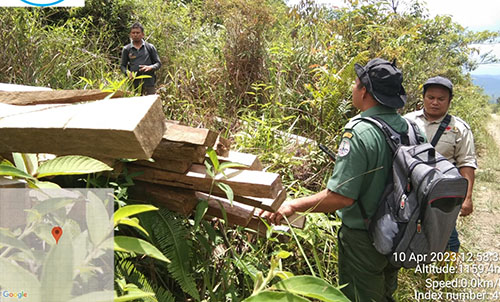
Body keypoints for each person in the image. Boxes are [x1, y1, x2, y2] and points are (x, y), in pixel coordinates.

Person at [261, 58, 410, 301]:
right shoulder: (411, 129)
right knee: (385, 291)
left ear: (364, 91)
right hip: (402, 232)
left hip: (366, 239)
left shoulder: (360, 132)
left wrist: (293, 205)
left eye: (355, 84)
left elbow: (342, 197)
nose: (353, 89)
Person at [405, 76, 477, 252]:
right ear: (423, 98)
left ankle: (446, 274)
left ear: (450, 101)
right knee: (408, 233)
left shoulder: (459, 128)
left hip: (443, 194)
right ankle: (415, 270)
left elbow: (466, 163)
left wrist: (467, 198)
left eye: (441, 99)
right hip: (410, 191)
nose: (435, 102)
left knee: (447, 236)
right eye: (431, 97)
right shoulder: (407, 122)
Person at [120, 22, 161, 95]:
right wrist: (127, 72)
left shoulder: (150, 47)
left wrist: (150, 67)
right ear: (130, 35)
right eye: (133, 33)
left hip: (149, 83)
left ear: (142, 34)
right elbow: (122, 66)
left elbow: (158, 63)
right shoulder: (127, 49)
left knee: (150, 104)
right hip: (134, 84)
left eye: (138, 33)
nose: (135, 35)